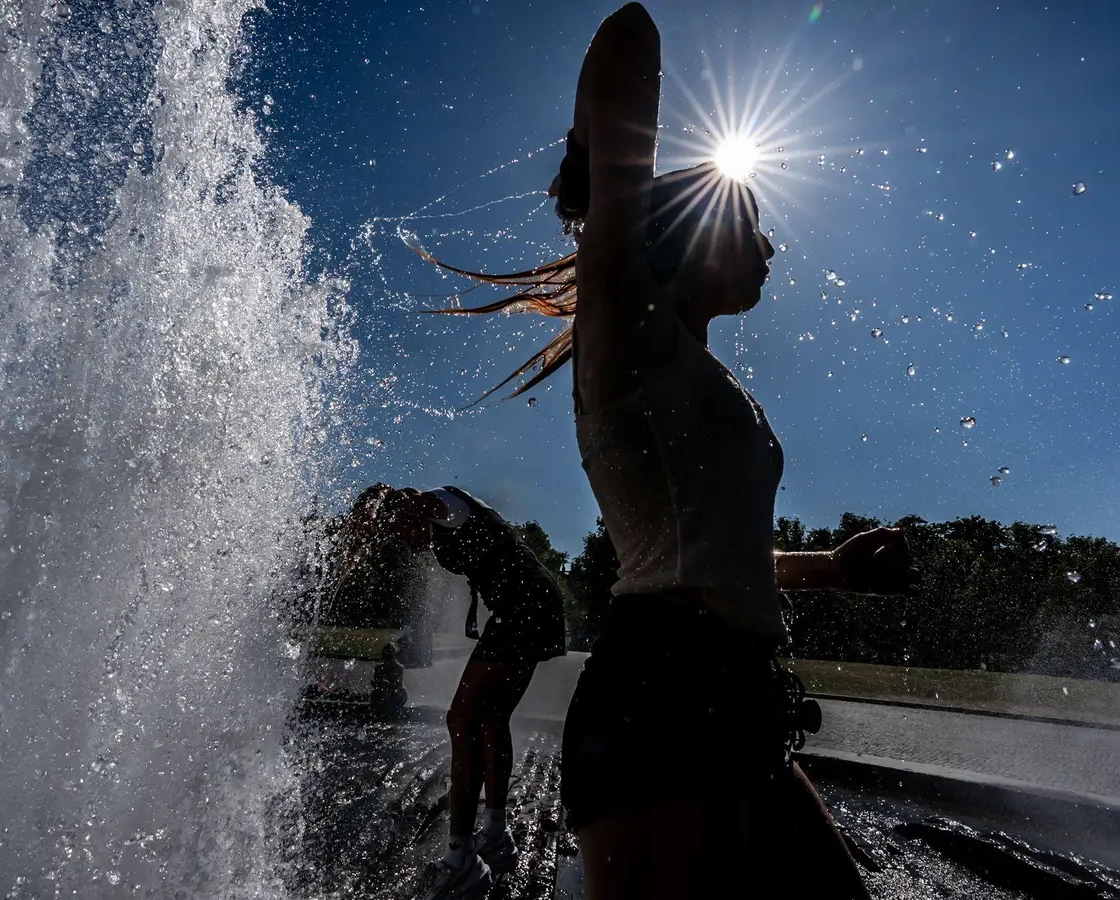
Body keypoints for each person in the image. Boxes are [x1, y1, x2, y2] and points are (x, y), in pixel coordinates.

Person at [417, 6, 920, 897]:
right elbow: (627, 37)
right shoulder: (628, 340)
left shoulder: (698, 375)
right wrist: (608, 167)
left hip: (738, 706)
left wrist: (833, 571)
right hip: (662, 702)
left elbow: (714, 557)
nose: (772, 245)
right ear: (688, 240)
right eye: (750, 221)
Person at [366, 485, 567, 900]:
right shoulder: (442, 517)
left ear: (408, 509)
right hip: (532, 605)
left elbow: (426, 505)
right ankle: (496, 834)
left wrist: (390, 511)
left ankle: (463, 861)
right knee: (492, 717)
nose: (404, 540)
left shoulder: (444, 504)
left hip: (524, 608)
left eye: (400, 528)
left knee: (461, 719)